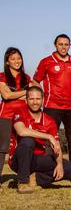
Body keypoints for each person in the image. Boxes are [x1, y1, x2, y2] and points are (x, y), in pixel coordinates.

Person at [8, 86, 71, 193]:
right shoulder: (20, 112)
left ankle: (34, 179)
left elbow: (57, 146)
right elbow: (21, 131)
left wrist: (59, 164)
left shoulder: (49, 121)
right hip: (19, 159)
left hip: (37, 160)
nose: (35, 102)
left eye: (38, 99)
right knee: (28, 140)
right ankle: (23, 182)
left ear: (42, 100)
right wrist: (48, 136)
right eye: (31, 99)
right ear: (26, 100)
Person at [32, 34, 71, 166]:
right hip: (52, 106)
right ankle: (48, 167)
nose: (63, 47)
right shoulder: (46, 61)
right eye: (61, 44)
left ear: (70, 46)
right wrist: (45, 95)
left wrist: (69, 92)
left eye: (66, 44)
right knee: (49, 138)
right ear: (55, 45)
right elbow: (35, 81)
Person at [0, 47, 31, 180]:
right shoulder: (2, 76)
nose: (17, 61)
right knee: (2, 147)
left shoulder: (26, 77)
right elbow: (6, 96)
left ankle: (25, 176)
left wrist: (16, 95)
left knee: (24, 144)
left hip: (23, 116)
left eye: (19, 58)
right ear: (7, 62)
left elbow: (34, 95)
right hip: (6, 115)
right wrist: (26, 92)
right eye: (13, 59)